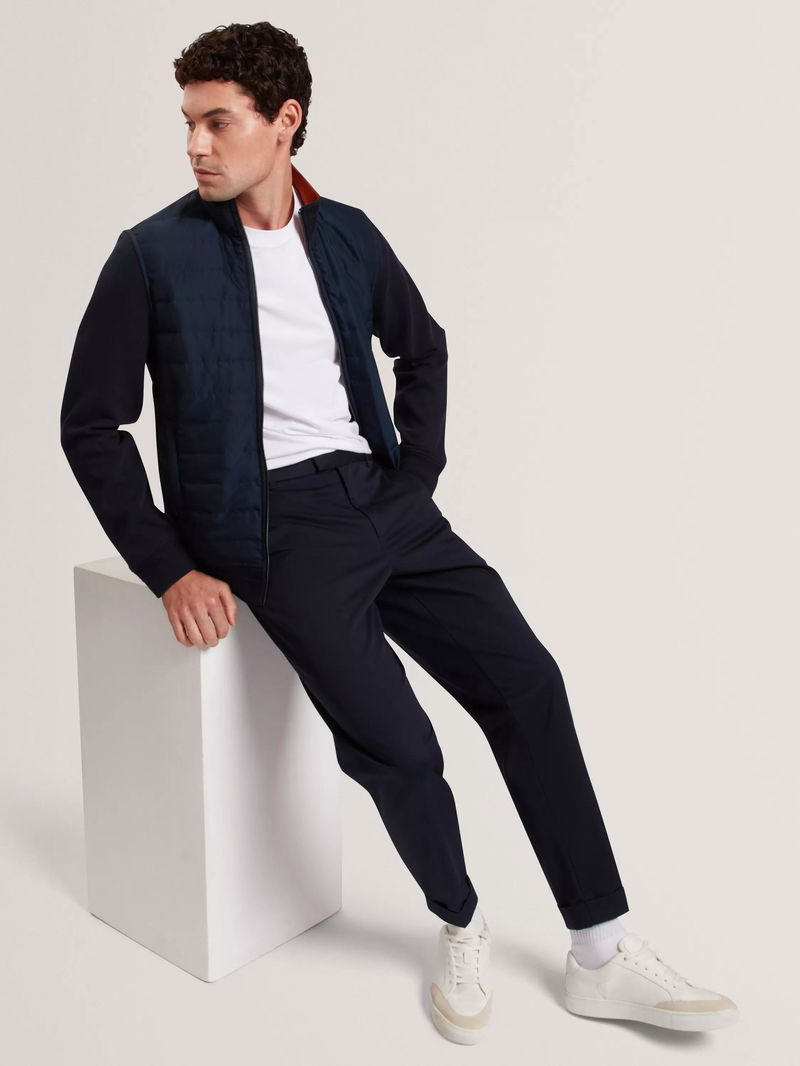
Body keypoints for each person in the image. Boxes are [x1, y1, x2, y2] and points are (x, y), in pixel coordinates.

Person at [59, 20, 738, 1044]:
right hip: (270, 527)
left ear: (284, 122)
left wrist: (413, 479)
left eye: (218, 121)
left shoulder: (346, 236)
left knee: (526, 683)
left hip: (384, 504)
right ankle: (459, 920)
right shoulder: (153, 255)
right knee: (401, 746)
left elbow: (422, 349)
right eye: (187, 122)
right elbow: (91, 424)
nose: (195, 144)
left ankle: (599, 951)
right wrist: (168, 567)